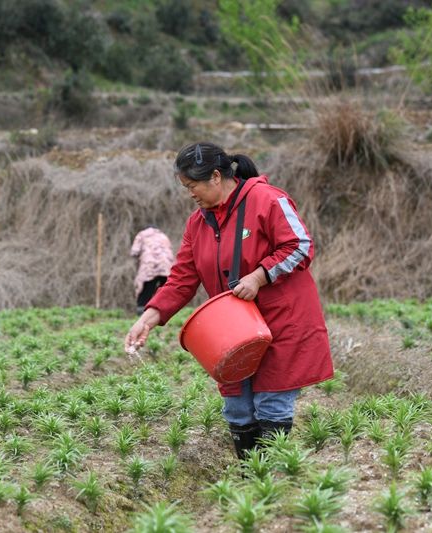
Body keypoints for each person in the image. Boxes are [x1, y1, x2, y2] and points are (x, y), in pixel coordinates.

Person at [124, 141, 333, 460]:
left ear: (216, 177)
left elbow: (300, 246)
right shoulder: (198, 223)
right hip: (233, 329)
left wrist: (259, 276)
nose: (190, 194)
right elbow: (182, 278)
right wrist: (147, 319)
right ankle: (250, 477)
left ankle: (272, 480)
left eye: (192, 186)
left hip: (281, 321)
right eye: (185, 187)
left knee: (271, 404)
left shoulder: (267, 200)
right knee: (237, 407)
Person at [130, 225, 174, 314]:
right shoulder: (163, 235)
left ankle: (141, 313)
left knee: (146, 291)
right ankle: (163, 312)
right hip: (167, 267)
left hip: (150, 267)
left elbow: (134, 252)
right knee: (163, 292)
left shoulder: (142, 234)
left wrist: (138, 265)